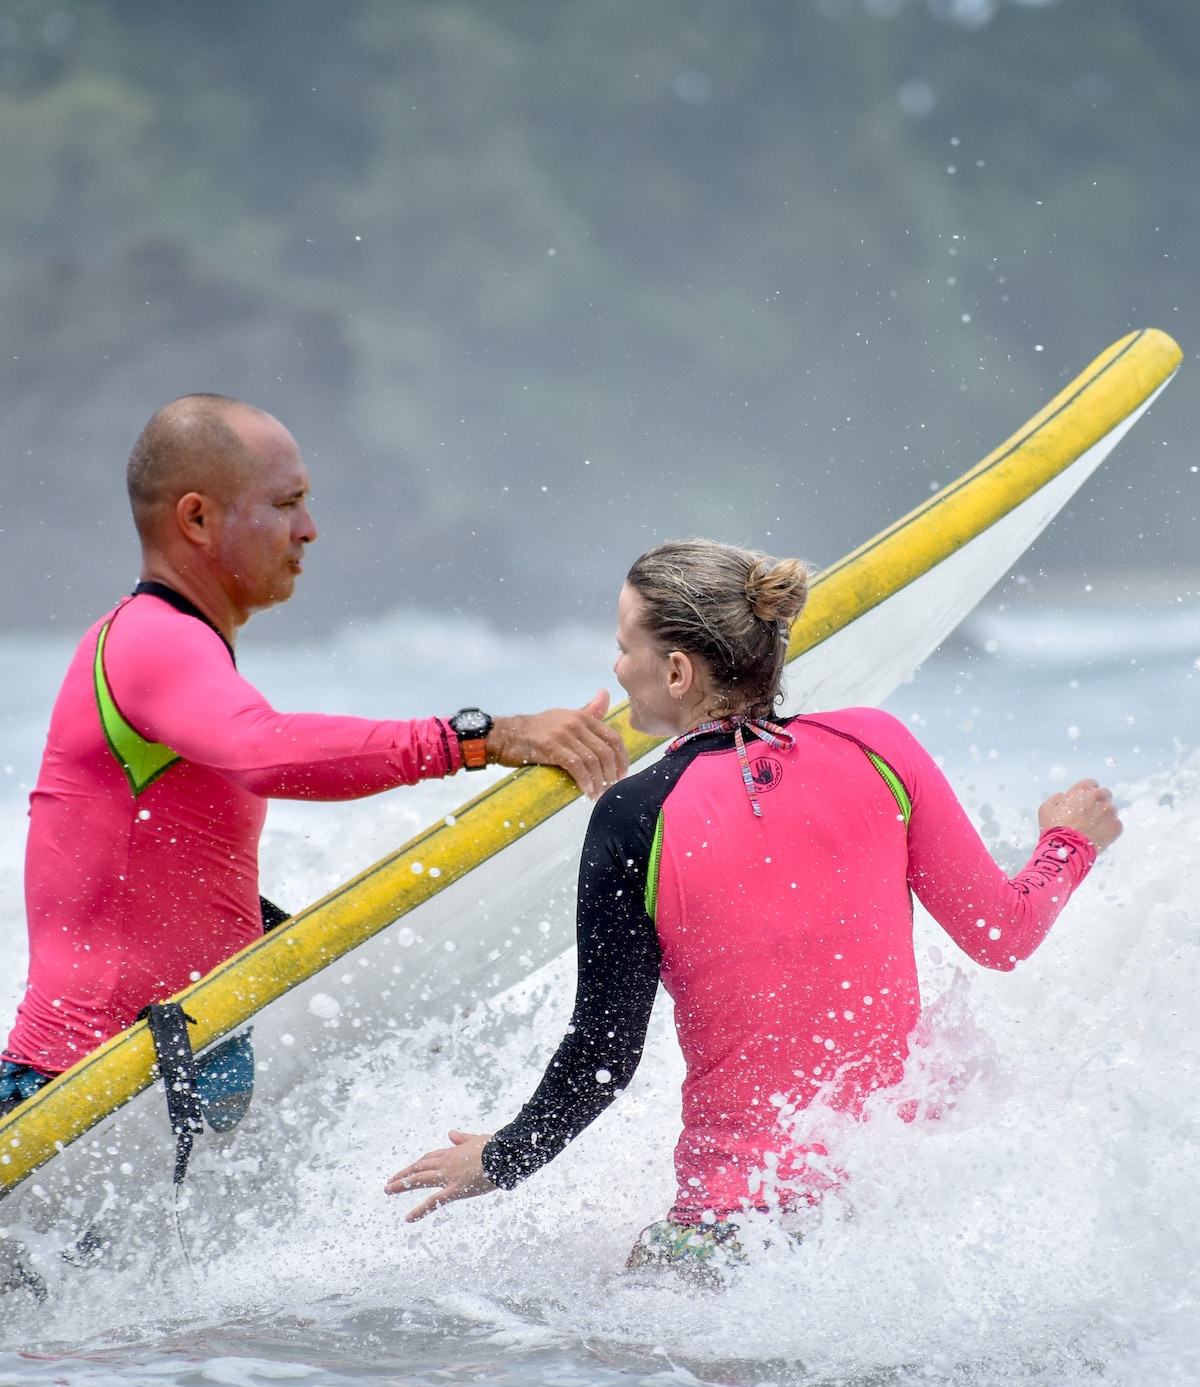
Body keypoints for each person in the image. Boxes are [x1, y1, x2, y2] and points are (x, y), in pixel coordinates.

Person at [386, 539, 1121, 1275]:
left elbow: (605, 1057)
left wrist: (504, 1156)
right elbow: (1004, 933)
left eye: (623, 647)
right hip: (900, 1213)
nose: (615, 667)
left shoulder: (636, 814)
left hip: (734, 1234)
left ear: (676, 671)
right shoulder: (878, 744)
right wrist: (1067, 844)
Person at [0, 394, 627, 1115]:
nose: (309, 529)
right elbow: (265, 750)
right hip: (77, 1103)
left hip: (149, 1091)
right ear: (197, 518)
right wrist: (486, 736)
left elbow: (168, 882)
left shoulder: (179, 650)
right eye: (287, 502)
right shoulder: (150, 640)